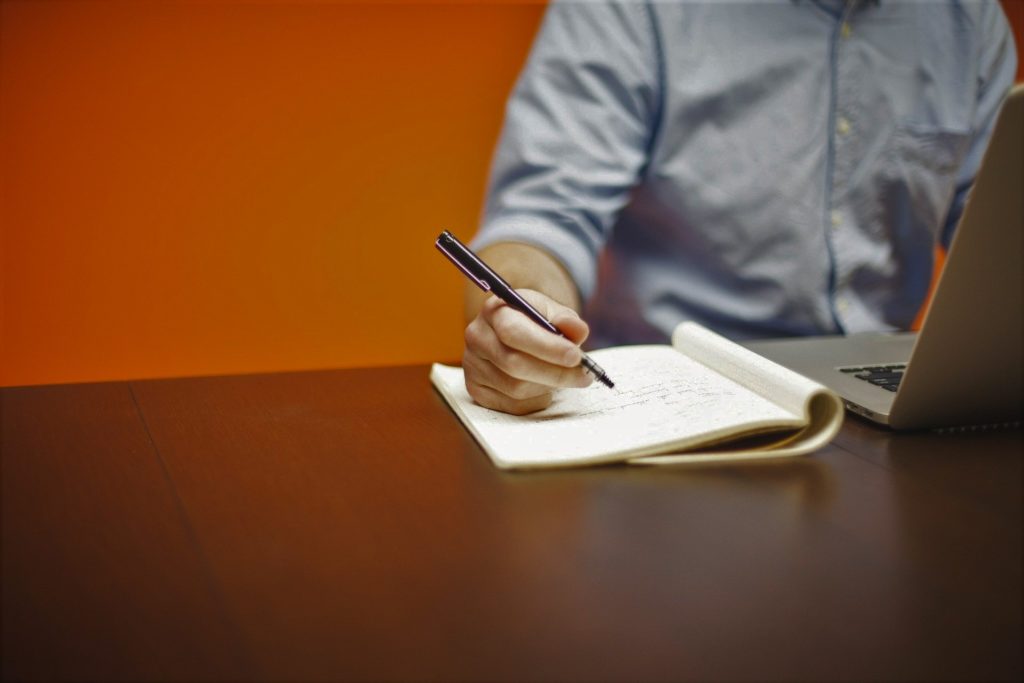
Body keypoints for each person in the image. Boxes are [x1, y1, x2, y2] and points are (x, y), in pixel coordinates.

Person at [462, 0, 1017, 415]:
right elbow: (543, 217)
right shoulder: (633, 10)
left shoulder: (969, 19)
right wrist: (526, 313)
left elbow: (998, 232)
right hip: (669, 403)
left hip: (893, 407)